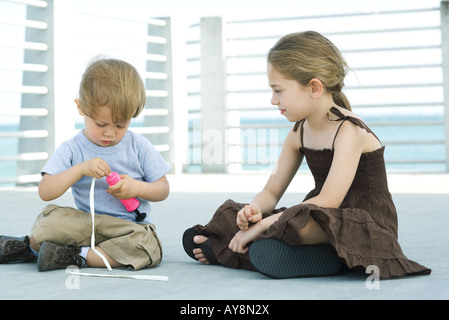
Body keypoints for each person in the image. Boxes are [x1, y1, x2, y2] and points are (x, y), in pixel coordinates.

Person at [183, 31, 431, 279]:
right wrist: (253, 211)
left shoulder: (349, 131)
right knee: (231, 220)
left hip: (362, 223)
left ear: (314, 87)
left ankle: (249, 252)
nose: (272, 100)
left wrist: (262, 227)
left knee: (289, 224)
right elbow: (271, 192)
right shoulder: (298, 133)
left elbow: (328, 202)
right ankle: (317, 255)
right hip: (320, 214)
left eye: (278, 90)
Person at [0, 58, 171, 271]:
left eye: (121, 125)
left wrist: (137, 187)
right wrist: (80, 169)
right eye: (101, 124)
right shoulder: (72, 149)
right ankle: (28, 247)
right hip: (85, 225)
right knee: (50, 222)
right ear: (80, 108)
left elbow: (163, 188)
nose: (110, 133)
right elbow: (46, 190)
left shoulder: (139, 146)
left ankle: (74, 255)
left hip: (127, 228)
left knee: (148, 246)